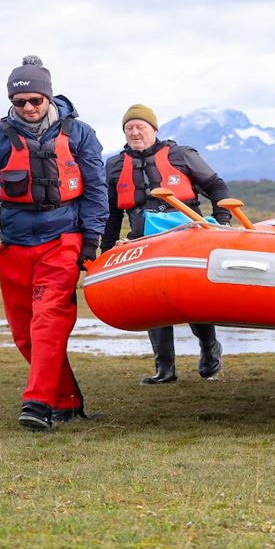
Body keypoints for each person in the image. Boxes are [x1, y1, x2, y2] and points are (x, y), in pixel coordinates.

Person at [0, 56, 108, 432]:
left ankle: (36, 403)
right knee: (24, 333)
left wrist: (91, 239)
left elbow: (97, 188)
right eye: (20, 102)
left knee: (49, 319)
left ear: (48, 97)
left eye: (36, 100)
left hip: (63, 239)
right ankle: (65, 400)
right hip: (15, 244)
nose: (29, 108)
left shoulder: (80, 133)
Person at [102, 103, 233, 385]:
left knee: (192, 301)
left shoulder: (181, 155)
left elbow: (216, 186)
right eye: (129, 128)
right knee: (152, 303)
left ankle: (209, 348)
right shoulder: (114, 166)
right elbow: (112, 214)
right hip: (144, 242)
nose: (134, 132)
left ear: (154, 129)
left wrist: (222, 221)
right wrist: (105, 250)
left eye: (140, 126)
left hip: (187, 241)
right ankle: (165, 369)